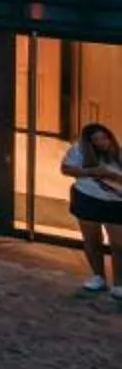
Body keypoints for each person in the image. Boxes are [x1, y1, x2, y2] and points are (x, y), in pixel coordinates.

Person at [63, 120, 122, 297]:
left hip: (115, 202)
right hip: (86, 198)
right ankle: (98, 276)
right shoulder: (78, 150)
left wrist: (111, 175)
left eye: (104, 138)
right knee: (91, 239)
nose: (101, 142)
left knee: (118, 244)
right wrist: (92, 172)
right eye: (96, 140)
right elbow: (66, 169)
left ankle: (119, 283)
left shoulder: (118, 154)